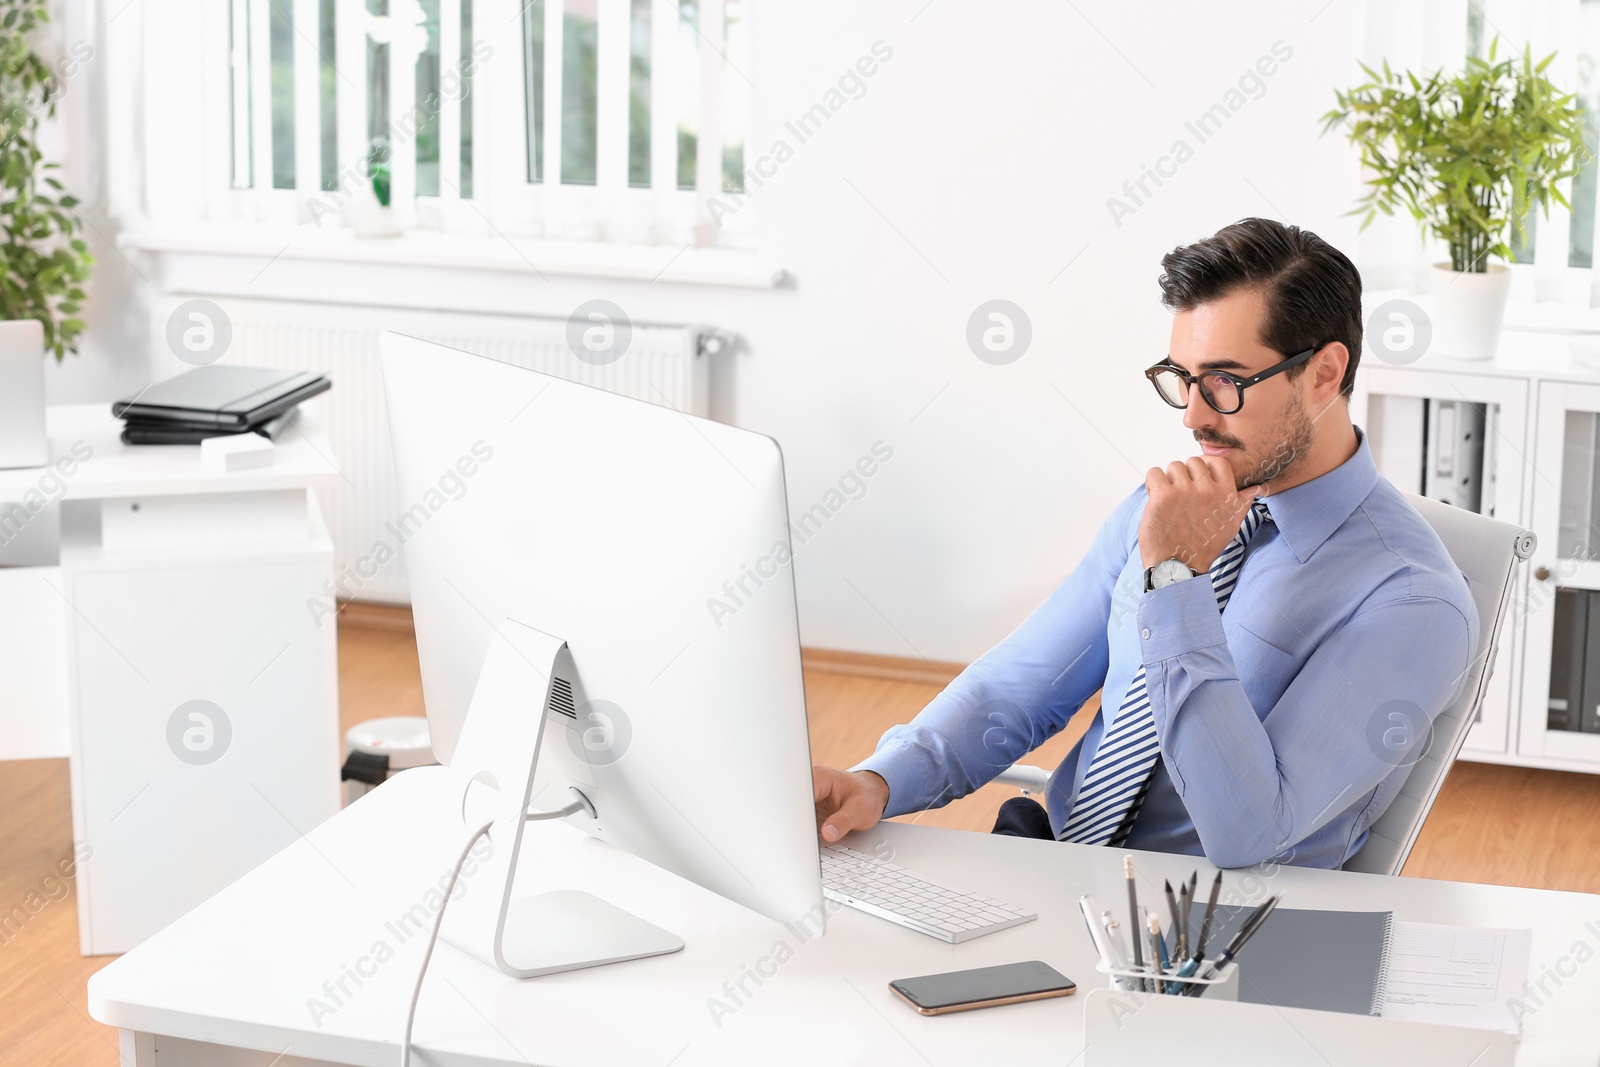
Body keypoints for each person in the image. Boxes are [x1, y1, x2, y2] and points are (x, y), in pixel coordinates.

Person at [813, 217, 1477, 870]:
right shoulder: (1166, 509)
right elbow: (1017, 689)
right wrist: (879, 780)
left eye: (1225, 382)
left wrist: (1175, 584)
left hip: (1206, 932)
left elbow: (1250, 831)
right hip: (1056, 862)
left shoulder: (1414, 603)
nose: (1192, 415)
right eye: (1180, 378)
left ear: (1325, 374)